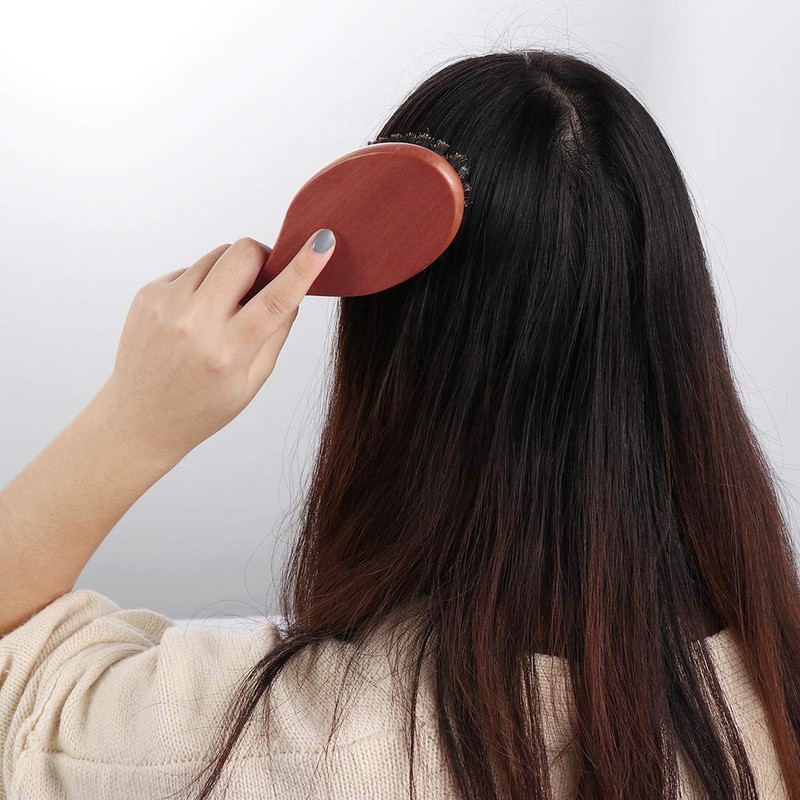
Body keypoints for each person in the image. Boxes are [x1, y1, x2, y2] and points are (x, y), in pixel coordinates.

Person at [1, 49, 798, 800]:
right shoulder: (776, 695)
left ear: (392, 352)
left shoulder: (277, 741)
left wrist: (133, 419)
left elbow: (19, 694)